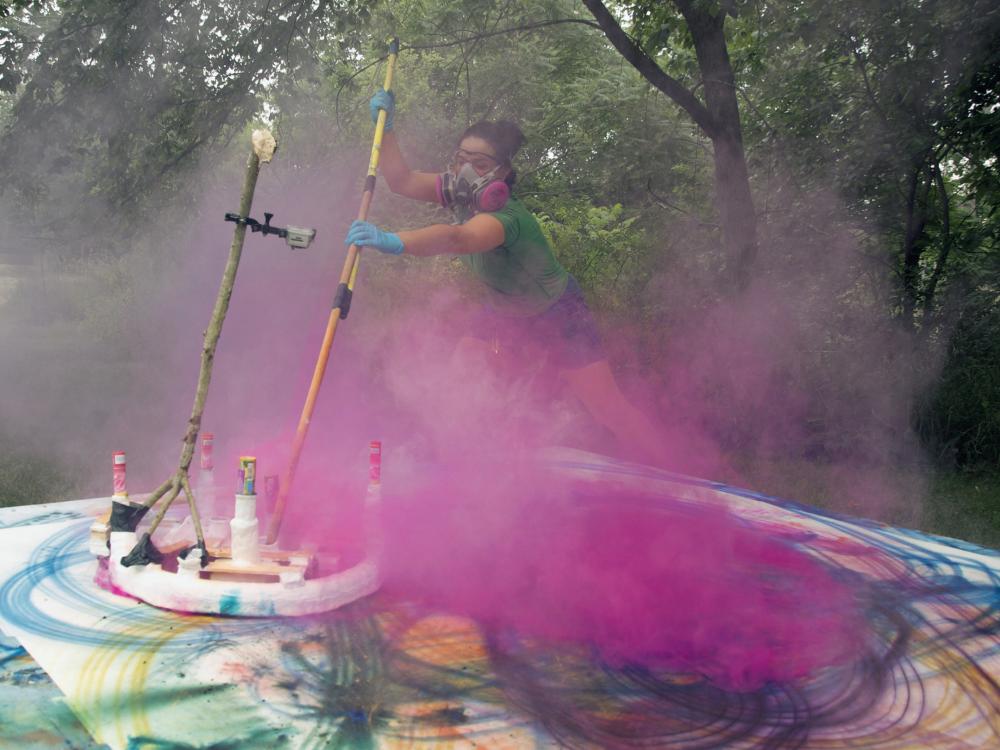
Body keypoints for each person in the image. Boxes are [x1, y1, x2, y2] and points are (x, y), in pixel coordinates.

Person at [344, 89, 668, 466]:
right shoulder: (458, 194)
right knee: (460, 377)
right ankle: (463, 462)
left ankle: (680, 475)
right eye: (460, 159)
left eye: (479, 164)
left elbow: (458, 238)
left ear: (504, 174)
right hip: (502, 311)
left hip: (557, 313)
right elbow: (400, 180)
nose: (465, 171)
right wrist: (387, 129)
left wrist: (391, 241)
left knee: (608, 408)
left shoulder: (507, 218)